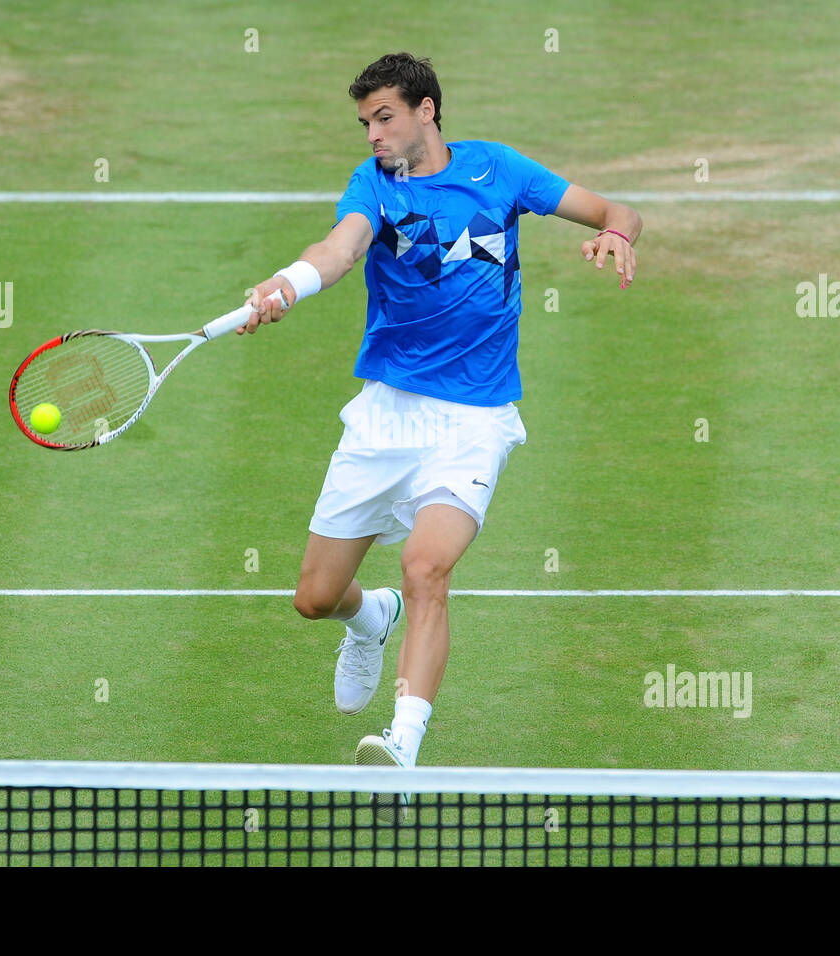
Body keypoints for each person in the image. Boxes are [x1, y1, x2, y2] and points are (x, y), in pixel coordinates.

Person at [241, 52, 640, 808]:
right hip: (386, 415)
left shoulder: (501, 171)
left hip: (474, 420)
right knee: (315, 598)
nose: (373, 135)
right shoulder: (374, 189)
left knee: (427, 567)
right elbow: (341, 249)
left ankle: (403, 742)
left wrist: (619, 235)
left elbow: (617, 210)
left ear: (427, 110)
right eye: (364, 123)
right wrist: (289, 284)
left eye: (384, 117)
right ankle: (369, 622)